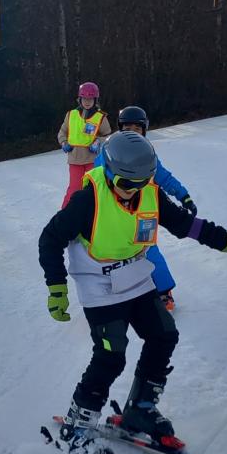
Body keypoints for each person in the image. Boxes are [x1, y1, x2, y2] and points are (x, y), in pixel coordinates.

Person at [39, 131, 227, 454]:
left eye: (141, 182)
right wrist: (57, 288)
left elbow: (186, 225)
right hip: (99, 285)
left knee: (163, 335)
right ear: (110, 173)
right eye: (126, 183)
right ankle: (77, 429)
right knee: (111, 355)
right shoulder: (88, 200)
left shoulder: (150, 194)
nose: (134, 190)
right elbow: (50, 239)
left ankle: (140, 409)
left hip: (135, 277)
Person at [94, 105, 195, 312]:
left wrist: (183, 195)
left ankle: (164, 291)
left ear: (144, 130)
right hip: (117, 212)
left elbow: (164, 177)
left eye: (137, 128)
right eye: (127, 128)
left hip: (144, 213)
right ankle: (119, 292)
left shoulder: (147, 154)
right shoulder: (108, 152)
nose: (132, 132)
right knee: (116, 253)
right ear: (120, 128)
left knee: (149, 251)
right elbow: (96, 181)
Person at [57, 81, 112, 209]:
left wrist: (98, 141)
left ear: (95, 100)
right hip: (75, 159)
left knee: (93, 188)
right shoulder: (71, 115)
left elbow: (108, 136)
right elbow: (62, 132)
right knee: (74, 188)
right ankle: (66, 213)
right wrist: (63, 142)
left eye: (90, 99)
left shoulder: (100, 117)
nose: (87, 102)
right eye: (84, 99)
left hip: (92, 160)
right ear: (80, 99)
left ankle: (93, 213)